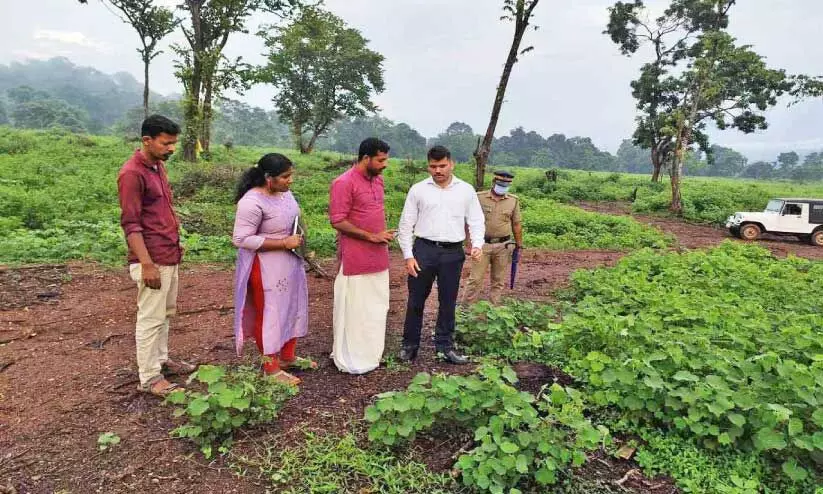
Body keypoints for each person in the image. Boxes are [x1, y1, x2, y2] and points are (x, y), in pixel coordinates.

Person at [118, 114, 196, 397]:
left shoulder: (157, 167)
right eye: (166, 143)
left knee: (166, 313)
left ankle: (161, 360)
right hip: (151, 260)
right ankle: (149, 377)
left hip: (168, 253)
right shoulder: (132, 174)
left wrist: (174, 242)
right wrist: (146, 263)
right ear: (147, 141)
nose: (171, 148)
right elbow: (131, 223)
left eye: (174, 143)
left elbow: (160, 213)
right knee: (150, 318)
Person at [397, 145, 485, 364]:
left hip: (452, 253)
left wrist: (477, 244)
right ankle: (409, 346)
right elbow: (406, 224)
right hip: (423, 251)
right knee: (416, 300)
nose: (438, 170)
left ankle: (445, 347)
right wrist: (408, 255)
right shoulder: (418, 190)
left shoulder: (465, 190)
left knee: (448, 301)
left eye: (442, 165)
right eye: (433, 166)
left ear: (451, 164)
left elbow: (475, 219)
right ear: (428, 166)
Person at [232, 153, 312, 386]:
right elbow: (241, 239)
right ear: (269, 178)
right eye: (285, 177)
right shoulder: (251, 202)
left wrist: (299, 245)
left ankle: (287, 357)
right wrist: (282, 243)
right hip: (265, 266)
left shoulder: (285, 194)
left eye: (291, 175)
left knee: (292, 306)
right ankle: (271, 368)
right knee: (270, 313)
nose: (290, 181)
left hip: (290, 262)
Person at [329, 138, 394, 374]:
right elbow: (337, 220)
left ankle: (371, 354)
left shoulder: (379, 181)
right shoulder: (343, 183)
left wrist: (381, 236)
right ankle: (351, 357)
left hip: (379, 256)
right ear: (366, 158)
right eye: (380, 160)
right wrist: (370, 236)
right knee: (354, 308)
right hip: (355, 257)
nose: (384, 164)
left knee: (377, 307)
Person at [463, 170, 523, 305]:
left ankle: (493, 311)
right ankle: (465, 311)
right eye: (500, 184)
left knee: (498, 280)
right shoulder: (479, 197)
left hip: (503, 245)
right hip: (481, 245)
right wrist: (468, 243)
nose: (503, 188)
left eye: (506, 185)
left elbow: (517, 224)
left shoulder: (513, 201)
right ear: (494, 182)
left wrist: (519, 245)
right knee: (475, 279)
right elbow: (468, 221)